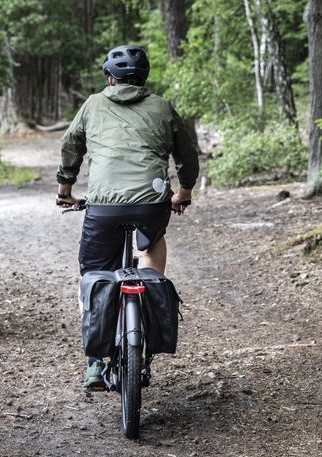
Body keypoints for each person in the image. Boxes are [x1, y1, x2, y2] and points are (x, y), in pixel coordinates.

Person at [55, 45, 199, 390]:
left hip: (103, 206)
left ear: (110, 78)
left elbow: (70, 146)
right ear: (144, 78)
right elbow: (186, 154)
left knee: (93, 274)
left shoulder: (92, 104)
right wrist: (184, 192)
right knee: (151, 244)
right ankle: (146, 319)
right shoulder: (162, 106)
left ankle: (94, 364)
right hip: (152, 203)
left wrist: (65, 191)